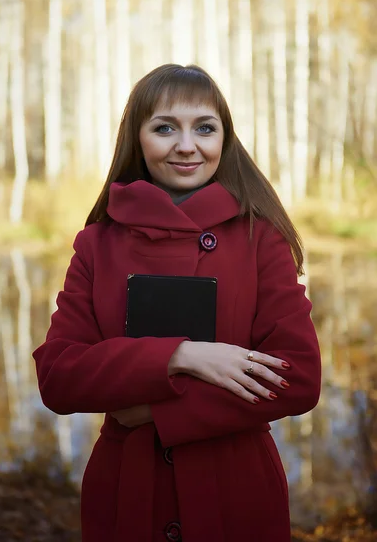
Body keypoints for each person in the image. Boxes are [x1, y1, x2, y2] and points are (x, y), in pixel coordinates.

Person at [33, 63, 321, 542]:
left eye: (204, 128)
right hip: (128, 492)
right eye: (165, 127)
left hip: (237, 489)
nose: (187, 146)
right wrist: (181, 355)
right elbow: (59, 376)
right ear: (137, 138)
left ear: (223, 140)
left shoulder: (259, 238)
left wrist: (154, 410)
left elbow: (298, 378)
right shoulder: (96, 243)